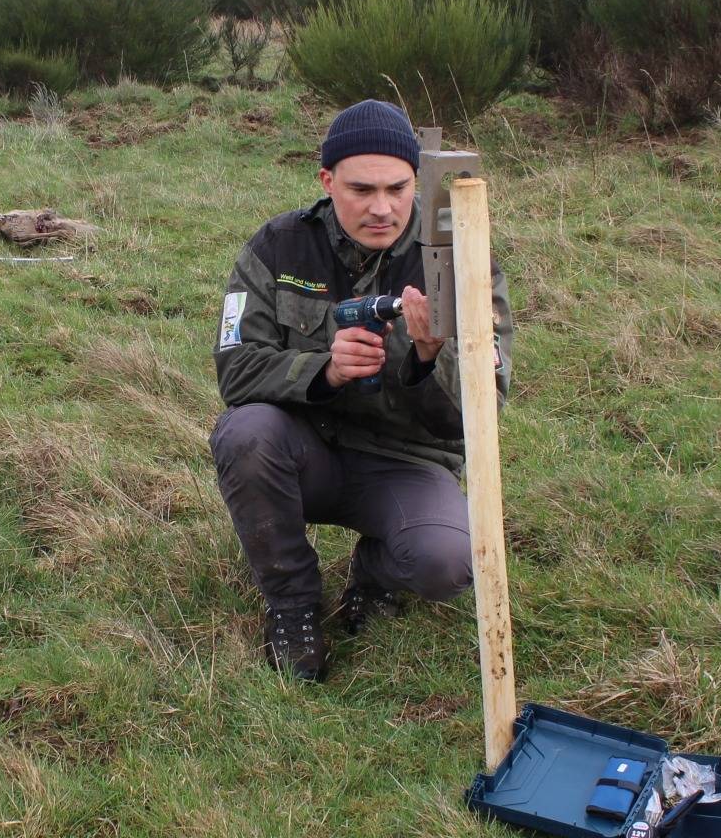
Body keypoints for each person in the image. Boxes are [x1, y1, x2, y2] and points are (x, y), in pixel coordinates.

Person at [208, 99, 512, 682]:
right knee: (245, 433)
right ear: (327, 181)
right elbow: (235, 369)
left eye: (398, 189)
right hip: (305, 452)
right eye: (361, 190)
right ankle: (293, 607)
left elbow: (480, 415)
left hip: (406, 462)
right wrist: (324, 370)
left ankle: (375, 574)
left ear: (416, 180)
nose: (382, 208)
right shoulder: (277, 246)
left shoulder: (462, 260)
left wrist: (429, 358)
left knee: (447, 560)